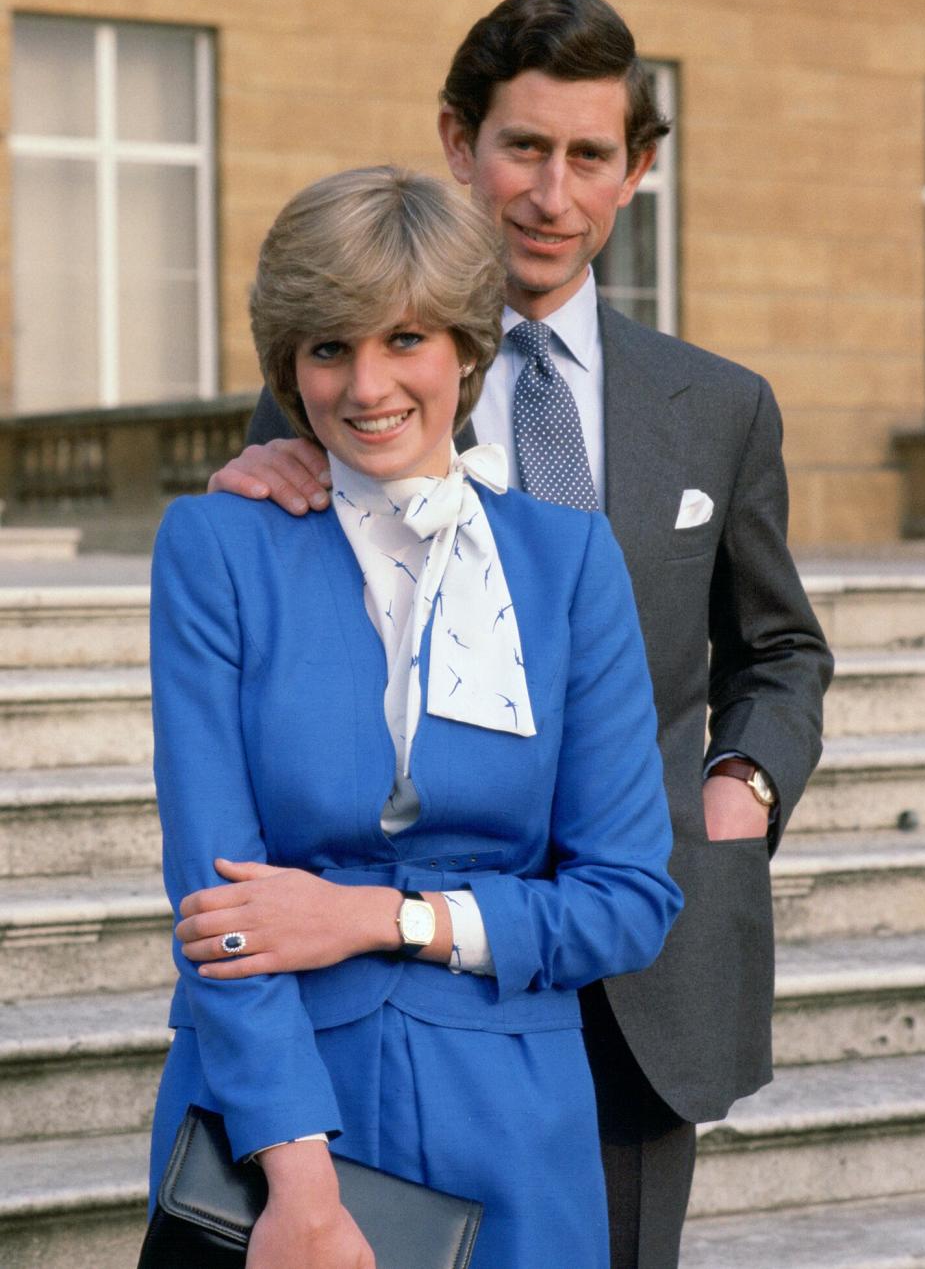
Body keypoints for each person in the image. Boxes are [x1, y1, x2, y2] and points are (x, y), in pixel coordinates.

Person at [205, 0, 834, 1268]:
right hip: (400, 988)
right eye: (523, 148)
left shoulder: (720, 405)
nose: (552, 194)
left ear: (637, 170)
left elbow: (780, 648)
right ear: (458, 143)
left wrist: (742, 784)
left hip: (643, 946)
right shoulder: (353, 386)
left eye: (589, 155)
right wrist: (248, 477)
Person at [148, 165, 682, 1269]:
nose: (366, 383)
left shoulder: (569, 562)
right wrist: (298, 1185)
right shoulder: (217, 549)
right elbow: (216, 907)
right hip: (270, 1121)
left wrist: (381, 920)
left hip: (514, 1127)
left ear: (466, 351)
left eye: (404, 339)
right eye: (329, 347)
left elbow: (627, 899)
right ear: (290, 367)